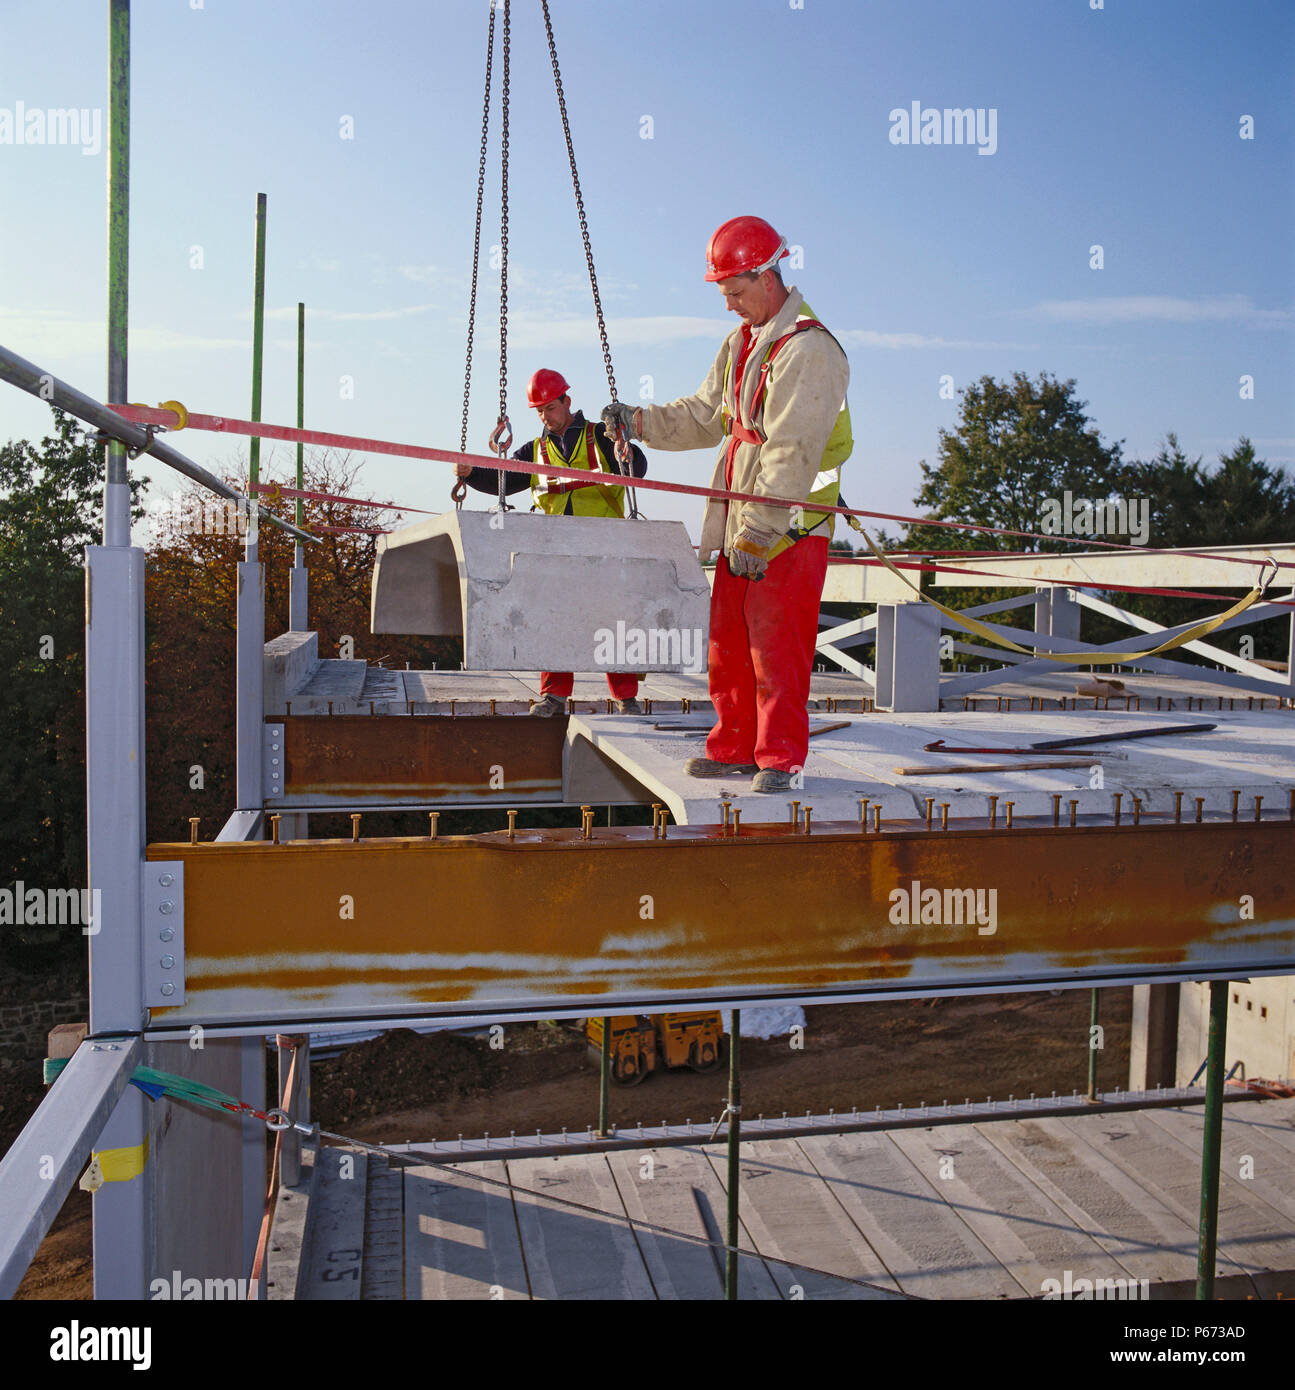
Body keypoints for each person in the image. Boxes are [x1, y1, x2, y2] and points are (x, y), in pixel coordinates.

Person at [603, 216, 851, 792]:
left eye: (736, 293)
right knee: (729, 641)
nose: (730, 305)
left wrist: (759, 532)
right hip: (744, 520)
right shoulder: (743, 343)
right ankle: (735, 744)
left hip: (789, 527)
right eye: (724, 294)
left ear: (768, 276)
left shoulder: (809, 349)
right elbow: (704, 415)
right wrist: (639, 422)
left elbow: (790, 453)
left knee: (776, 645)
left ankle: (780, 758)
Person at [455, 368, 649, 715]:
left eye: (550, 407)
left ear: (567, 402)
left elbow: (637, 469)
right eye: (540, 410)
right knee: (553, 615)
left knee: (611, 617)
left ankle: (626, 697)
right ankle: (554, 696)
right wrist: (471, 475)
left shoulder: (600, 437)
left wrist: (627, 451)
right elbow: (506, 481)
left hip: (603, 543)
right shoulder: (535, 449)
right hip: (554, 546)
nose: (545, 415)